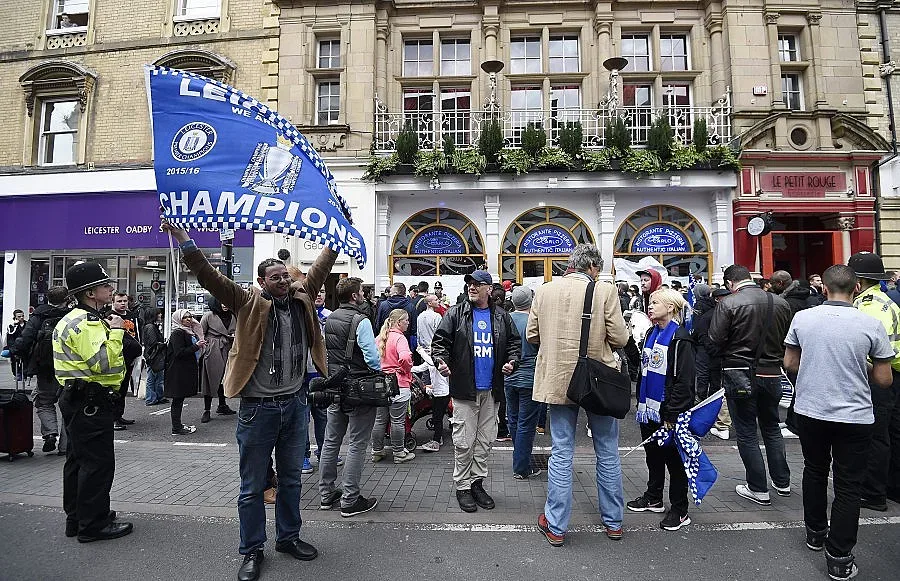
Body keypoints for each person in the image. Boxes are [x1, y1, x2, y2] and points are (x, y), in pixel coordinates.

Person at [163, 220, 335, 581]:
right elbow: (209, 276)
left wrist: (337, 235)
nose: (283, 281)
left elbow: (321, 267)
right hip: (258, 409)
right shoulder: (246, 302)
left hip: (295, 404)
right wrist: (183, 238)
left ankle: (288, 537)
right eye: (275, 278)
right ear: (261, 282)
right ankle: (252, 549)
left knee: (291, 479)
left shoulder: (302, 296)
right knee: (253, 486)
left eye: (285, 276)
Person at [783, 265, 895, 581]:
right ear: (856, 288)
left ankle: (815, 532)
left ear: (825, 288)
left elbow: (790, 363)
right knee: (848, 485)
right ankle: (839, 556)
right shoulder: (871, 324)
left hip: (811, 410)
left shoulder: (803, 318)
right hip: (855, 415)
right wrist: (862, 364)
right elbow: (884, 380)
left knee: (815, 470)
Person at [527, 244, 629, 545]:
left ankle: (556, 525)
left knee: (561, 451)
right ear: (593, 267)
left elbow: (532, 334)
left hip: (558, 379)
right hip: (598, 380)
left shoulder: (545, 291)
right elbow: (620, 337)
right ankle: (613, 522)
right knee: (607, 450)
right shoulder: (605, 291)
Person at [53, 261, 134, 542]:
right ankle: (93, 524)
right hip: (91, 400)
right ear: (90, 293)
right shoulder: (87, 323)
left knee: (77, 461)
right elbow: (104, 364)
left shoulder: (71, 318)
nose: (110, 289)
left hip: (76, 397)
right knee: (97, 465)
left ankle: (77, 518)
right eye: (104, 285)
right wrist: (117, 331)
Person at [432, 270, 520, 513]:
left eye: (477, 284)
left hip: (492, 390)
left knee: (484, 442)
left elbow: (514, 344)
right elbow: (440, 343)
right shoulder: (455, 314)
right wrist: (441, 360)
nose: (472, 287)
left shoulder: (502, 316)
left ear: (489, 289)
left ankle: (476, 483)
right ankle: (462, 487)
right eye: (469, 283)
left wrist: (512, 361)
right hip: (465, 390)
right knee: (463, 442)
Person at [709, 264, 792, 506]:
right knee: (771, 427)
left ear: (729, 283)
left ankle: (758, 488)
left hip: (739, 372)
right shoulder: (780, 303)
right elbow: (787, 338)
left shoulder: (729, 303)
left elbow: (714, 340)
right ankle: (782, 482)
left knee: (746, 431)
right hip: (772, 372)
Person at [627, 288, 696, 531]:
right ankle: (654, 497)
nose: (650, 306)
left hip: (668, 411)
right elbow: (642, 368)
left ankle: (679, 509)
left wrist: (672, 413)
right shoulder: (650, 333)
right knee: (653, 455)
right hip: (649, 409)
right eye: (650, 302)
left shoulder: (680, 338)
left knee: (674, 461)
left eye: (656, 302)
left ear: (670, 307)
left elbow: (685, 382)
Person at [318, 277, 383, 518]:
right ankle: (350, 499)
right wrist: (379, 371)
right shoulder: (360, 320)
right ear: (354, 296)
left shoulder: (331, 318)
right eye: (361, 292)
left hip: (335, 385)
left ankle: (326, 494)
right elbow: (371, 356)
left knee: (331, 441)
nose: (364, 295)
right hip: (358, 387)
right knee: (357, 443)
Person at [847, 252, 900, 512]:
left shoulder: (867, 307)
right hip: (893, 374)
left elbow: (868, 349)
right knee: (891, 433)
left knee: (874, 435)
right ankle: (892, 488)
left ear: (857, 282)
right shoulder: (886, 301)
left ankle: (873, 493)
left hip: (877, 375)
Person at [7, 287, 71, 454]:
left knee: (44, 402)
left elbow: (26, 338)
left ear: (48, 299)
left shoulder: (39, 315)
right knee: (69, 405)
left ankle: (50, 433)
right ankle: (65, 446)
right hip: (70, 367)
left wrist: (14, 351)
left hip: (45, 368)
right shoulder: (73, 315)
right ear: (67, 299)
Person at [371, 309, 416, 464]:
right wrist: (405, 369)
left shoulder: (379, 338)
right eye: (406, 320)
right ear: (398, 322)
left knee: (379, 420)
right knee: (397, 421)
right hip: (398, 384)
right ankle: (398, 453)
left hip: (380, 384)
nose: (408, 323)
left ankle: (377, 451)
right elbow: (405, 357)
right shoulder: (400, 338)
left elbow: (371, 358)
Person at [505, 286, 541, 479]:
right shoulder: (534, 321)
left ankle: (520, 456)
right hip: (529, 377)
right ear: (531, 301)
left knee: (513, 419)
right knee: (526, 423)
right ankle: (521, 467)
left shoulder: (506, 319)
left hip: (509, 376)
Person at [303, 287, 333, 473]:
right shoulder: (300, 313)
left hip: (321, 375)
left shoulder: (330, 316)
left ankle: (324, 452)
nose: (319, 295)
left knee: (323, 417)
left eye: (322, 291)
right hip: (302, 377)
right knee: (302, 420)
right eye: (316, 291)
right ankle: (303, 456)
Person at [416, 294, 450, 452]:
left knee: (437, 412)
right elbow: (440, 334)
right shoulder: (437, 317)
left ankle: (437, 438)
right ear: (429, 303)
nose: (438, 301)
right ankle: (439, 436)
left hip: (427, 351)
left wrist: (421, 350)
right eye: (436, 300)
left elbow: (419, 335)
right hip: (433, 351)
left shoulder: (420, 317)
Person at [165, 310, 204, 435]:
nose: (188, 319)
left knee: (179, 399)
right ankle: (176, 428)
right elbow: (179, 352)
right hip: (177, 371)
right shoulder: (178, 333)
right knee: (177, 399)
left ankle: (178, 426)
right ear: (178, 319)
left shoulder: (188, 331)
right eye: (185, 317)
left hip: (184, 369)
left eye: (190, 316)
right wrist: (196, 346)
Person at [106, 292, 141, 431]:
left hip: (131, 356)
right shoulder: (110, 316)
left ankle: (119, 415)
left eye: (125, 301)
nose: (122, 303)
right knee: (116, 389)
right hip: (117, 356)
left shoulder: (132, 316)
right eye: (119, 301)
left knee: (125, 387)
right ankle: (112, 418)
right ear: (113, 302)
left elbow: (137, 333)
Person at [199, 297, 237, 423]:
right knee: (210, 378)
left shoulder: (233, 315)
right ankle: (207, 410)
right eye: (222, 302)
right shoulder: (209, 316)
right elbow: (200, 333)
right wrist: (206, 349)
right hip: (213, 348)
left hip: (229, 347)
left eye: (227, 302)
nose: (225, 305)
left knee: (224, 378)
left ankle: (222, 405)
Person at [142, 309, 168, 407]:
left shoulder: (150, 326)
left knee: (157, 377)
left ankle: (156, 397)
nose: (160, 315)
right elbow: (153, 343)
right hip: (153, 356)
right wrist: (164, 345)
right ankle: (151, 398)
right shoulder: (151, 327)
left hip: (153, 355)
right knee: (153, 377)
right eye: (158, 313)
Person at [5, 309, 27, 380]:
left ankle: (24, 373)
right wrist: (15, 325)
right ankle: (17, 373)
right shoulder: (11, 326)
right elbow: (10, 335)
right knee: (15, 361)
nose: (21, 318)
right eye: (19, 316)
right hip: (15, 346)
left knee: (25, 360)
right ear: (15, 317)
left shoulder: (27, 324)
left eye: (22, 316)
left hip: (25, 346)